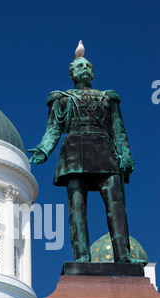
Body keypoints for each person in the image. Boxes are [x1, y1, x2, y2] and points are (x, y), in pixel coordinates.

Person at [28, 53, 145, 264]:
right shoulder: (62, 99)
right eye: (80, 66)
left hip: (105, 153)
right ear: (72, 73)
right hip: (74, 154)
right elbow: (53, 130)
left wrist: (125, 154)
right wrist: (44, 150)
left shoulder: (108, 98)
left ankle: (124, 257)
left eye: (87, 66)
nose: (84, 68)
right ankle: (82, 258)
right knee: (76, 209)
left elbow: (118, 130)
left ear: (92, 72)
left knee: (116, 205)